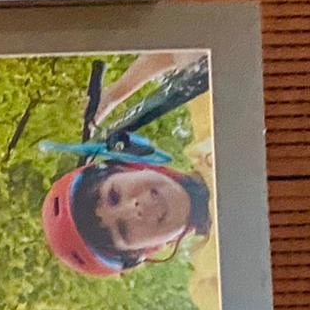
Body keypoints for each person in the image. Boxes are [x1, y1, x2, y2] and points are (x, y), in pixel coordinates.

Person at [41, 52, 215, 281]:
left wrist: (112, 96)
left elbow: (181, 48)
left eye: (114, 196)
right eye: (123, 229)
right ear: (146, 250)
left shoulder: (208, 114)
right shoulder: (214, 275)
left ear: (130, 167)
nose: (133, 208)